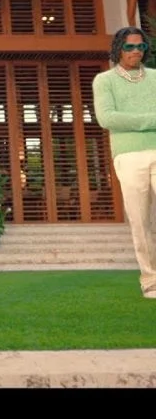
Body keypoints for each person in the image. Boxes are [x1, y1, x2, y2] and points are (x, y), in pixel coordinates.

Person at [93, 26, 156, 299]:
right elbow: (108, 118)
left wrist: (131, 120)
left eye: (140, 46)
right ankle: (150, 280)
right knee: (140, 221)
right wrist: (151, 120)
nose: (135, 51)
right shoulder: (105, 81)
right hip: (128, 157)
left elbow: (121, 118)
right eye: (130, 47)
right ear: (119, 49)